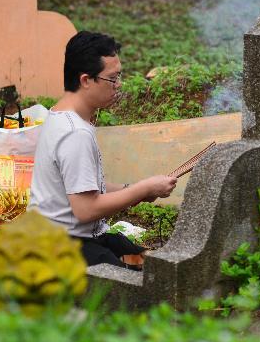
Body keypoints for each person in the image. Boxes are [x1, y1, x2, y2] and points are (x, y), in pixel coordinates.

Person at [29, 31, 178, 268]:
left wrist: (134, 191)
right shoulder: (74, 134)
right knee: (134, 285)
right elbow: (86, 209)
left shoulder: (60, 115)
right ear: (86, 80)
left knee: (149, 264)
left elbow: (82, 186)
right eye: (112, 79)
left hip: (60, 237)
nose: (118, 85)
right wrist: (143, 188)